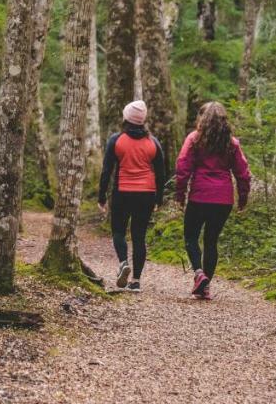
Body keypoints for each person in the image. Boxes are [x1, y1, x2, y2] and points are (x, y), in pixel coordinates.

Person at [174, 100, 252, 300]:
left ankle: (199, 274)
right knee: (211, 241)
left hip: (199, 196)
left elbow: (183, 167)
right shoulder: (232, 144)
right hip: (223, 199)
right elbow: (243, 173)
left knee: (191, 237)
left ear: (202, 119)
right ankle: (205, 286)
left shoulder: (194, 139)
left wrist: (180, 194)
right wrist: (243, 197)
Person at [98, 100, 166, 292]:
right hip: (146, 194)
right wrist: (159, 199)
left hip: (122, 192)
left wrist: (101, 197)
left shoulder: (116, 140)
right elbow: (161, 174)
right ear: (143, 121)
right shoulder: (153, 143)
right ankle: (136, 281)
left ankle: (122, 263)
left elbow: (106, 171)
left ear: (126, 118)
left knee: (118, 231)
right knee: (139, 236)